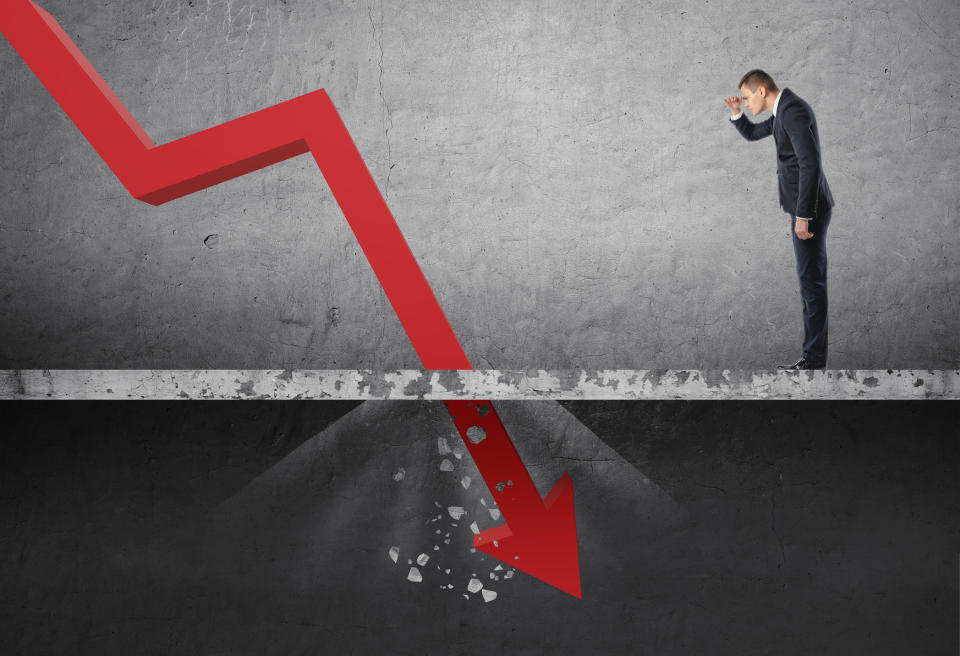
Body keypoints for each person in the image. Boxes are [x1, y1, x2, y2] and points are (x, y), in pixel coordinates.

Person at [724, 69, 835, 370]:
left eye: (746, 98)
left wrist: (803, 216)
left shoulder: (792, 111)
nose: (745, 103)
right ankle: (813, 359)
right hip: (804, 207)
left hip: (808, 210)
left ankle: (813, 362)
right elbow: (752, 133)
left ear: (761, 91)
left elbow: (809, 163)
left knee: (811, 283)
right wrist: (736, 114)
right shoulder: (780, 111)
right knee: (809, 280)